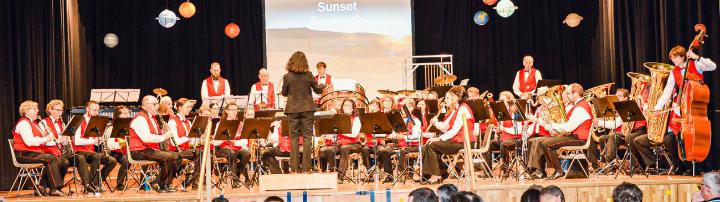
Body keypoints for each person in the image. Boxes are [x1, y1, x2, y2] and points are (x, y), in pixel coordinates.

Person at [647, 45, 716, 175]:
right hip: (683, 110)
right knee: (669, 139)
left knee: (694, 138)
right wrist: (657, 108)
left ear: (682, 56)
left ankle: (696, 165)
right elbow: (667, 92)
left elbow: (713, 66)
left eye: (674, 58)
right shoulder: (675, 72)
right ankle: (680, 165)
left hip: (697, 108)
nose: (673, 61)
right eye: (672, 59)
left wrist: (697, 57)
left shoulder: (696, 64)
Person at [281, 51, 325, 172]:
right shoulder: (309, 75)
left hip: (292, 110)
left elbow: (284, 93)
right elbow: (318, 90)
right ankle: (307, 167)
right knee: (307, 138)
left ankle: (294, 167)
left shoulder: (287, 76)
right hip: (307, 109)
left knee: (294, 138)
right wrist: (322, 85)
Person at [537, 84, 593, 180]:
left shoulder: (580, 108)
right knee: (545, 141)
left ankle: (558, 171)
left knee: (547, 144)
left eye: (568, 93)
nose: (566, 96)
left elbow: (568, 128)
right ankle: (556, 170)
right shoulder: (579, 105)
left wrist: (552, 126)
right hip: (575, 136)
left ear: (575, 94)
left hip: (579, 138)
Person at [421, 86, 475, 183]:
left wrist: (439, 139)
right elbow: (446, 127)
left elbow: (454, 130)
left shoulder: (463, 109)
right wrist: (436, 123)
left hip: (464, 142)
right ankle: (437, 173)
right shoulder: (456, 109)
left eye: (452, 95)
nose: (450, 97)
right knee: (426, 146)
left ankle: (436, 175)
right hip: (457, 140)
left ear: (459, 97)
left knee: (432, 145)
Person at [12, 100, 66, 196]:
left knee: (58, 160)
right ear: (26, 110)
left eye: (37, 109)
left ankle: (41, 187)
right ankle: (54, 188)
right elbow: (29, 141)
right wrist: (46, 138)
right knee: (51, 158)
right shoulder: (24, 123)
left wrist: (46, 137)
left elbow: (40, 139)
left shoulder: (34, 123)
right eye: (34, 109)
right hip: (23, 154)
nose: (37, 111)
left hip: (33, 152)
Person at [129, 95, 180, 192]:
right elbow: (146, 138)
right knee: (169, 157)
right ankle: (159, 182)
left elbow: (155, 136)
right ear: (145, 106)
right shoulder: (140, 119)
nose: (157, 106)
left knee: (177, 156)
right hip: (138, 151)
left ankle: (162, 183)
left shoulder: (153, 118)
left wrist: (164, 133)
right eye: (155, 104)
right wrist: (164, 136)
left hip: (148, 150)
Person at [72, 100, 118, 192]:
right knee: (96, 156)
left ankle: (97, 182)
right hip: (79, 151)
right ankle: (93, 184)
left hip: (91, 152)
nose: (96, 113)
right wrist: (93, 141)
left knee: (111, 161)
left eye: (97, 110)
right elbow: (76, 141)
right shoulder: (79, 121)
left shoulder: (95, 121)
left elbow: (94, 142)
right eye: (94, 110)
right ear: (87, 109)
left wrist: (99, 141)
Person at [105, 105, 131, 190]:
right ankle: (120, 184)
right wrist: (122, 144)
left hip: (128, 152)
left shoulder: (130, 127)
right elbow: (110, 145)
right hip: (116, 152)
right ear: (118, 115)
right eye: (124, 113)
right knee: (127, 160)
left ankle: (144, 183)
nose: (127, 116)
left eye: (127, 113)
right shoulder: (112, 128)